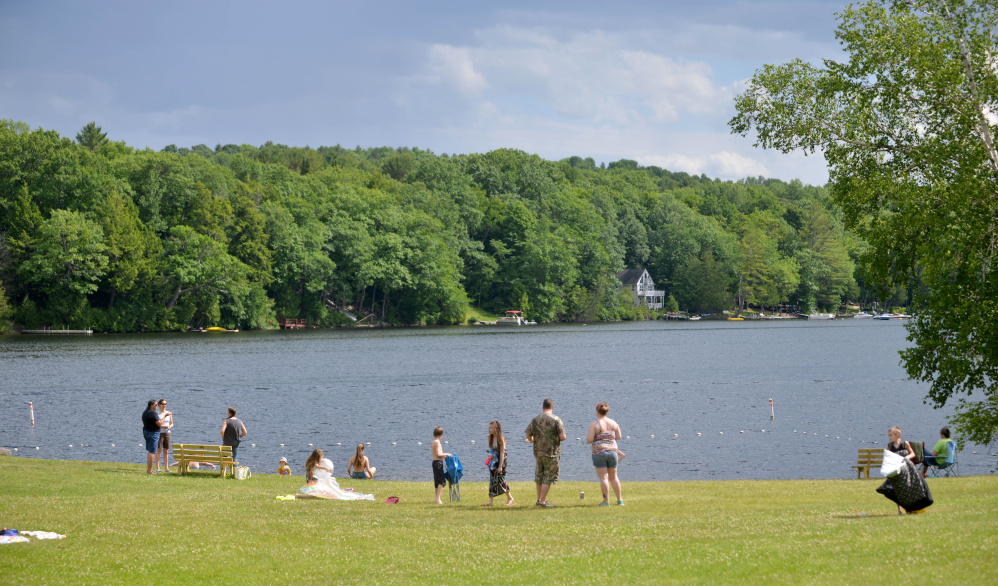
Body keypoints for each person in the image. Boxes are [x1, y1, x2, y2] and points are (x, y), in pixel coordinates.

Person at [525, 398, 567, 507]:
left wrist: (532, 440)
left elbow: (528, 434)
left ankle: (539, 500)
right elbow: (563, 437)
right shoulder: (556, 419)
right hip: (551, 452)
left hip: (538, 452)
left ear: (543, 407)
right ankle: (543, 501)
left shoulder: (535, 419)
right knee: (548, 477)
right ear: (553, 407)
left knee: (539, 476)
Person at [586, 402, 624, 506]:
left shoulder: (595, 424)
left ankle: (606, 501)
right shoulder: (613, 423)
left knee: (604, 478)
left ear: (597, 411)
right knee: (614, 477)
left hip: (599, 452)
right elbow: (619, 436)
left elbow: (589, 439)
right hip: (613, 452)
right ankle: (620, 500)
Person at [298, 449, 374, 500]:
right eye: (321, 457)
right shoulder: (314, 462)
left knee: (333, 479)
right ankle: (299, 496)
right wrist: (326, 468)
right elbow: (317, 466)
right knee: (316, 495)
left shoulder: (312, 461)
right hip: (312, 480)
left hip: (314, 479)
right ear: (318, 457)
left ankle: (340, 490)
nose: (322, 459)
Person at [885, 426, 916, 514]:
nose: (889, 437)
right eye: (888, 435)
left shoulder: (905, 444)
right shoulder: (889, 446)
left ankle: (909, 508)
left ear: (897, 435)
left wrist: (907, 457)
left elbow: (913, 453)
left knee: (907, 488)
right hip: (896, 470)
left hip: (905, 469)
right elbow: (887, 457)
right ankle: (899, 509)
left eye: (891, 435)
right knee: (897, 489)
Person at [483, 421, 515, 506]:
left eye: (492, 428)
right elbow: (491, 449)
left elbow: (502, 453)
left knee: (501, 479)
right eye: (489, 428)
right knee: (492, 479)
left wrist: (500, 466)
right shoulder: (490, 437)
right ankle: (490, 501)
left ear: (497, 429)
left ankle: (510, 497)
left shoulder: (500, 438)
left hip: (501, 461)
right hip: (493, 461)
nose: (490, 430)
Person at [141, 400, 165, 474]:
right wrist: (165, 416)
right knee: (152, 452)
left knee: (150, 451)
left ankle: (149, 469)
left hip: (146, 432)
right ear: (151, 405)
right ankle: (150, 470)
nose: (157, 406)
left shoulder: (145, 412)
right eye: (155, 405)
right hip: (153, 433)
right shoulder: (153, 413)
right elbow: (159, 423)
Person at [431, 426, 452, 504]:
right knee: (441, 481)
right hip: (438, 463)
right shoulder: (437, 442)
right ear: (441, 434)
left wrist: (444, 456)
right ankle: (437, 498)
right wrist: (447, 454)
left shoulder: (433, 441)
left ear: (434, 433)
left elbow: (437, 455)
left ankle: (437, 498)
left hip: (435, 462)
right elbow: (438, 454)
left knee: (437, 482)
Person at [155, 399, 173, 472]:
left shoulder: (169, 413)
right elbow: (157, 424)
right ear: (159, 404)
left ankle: (166, 468)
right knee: (158, 450)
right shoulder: (156, 413)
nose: (164, 405)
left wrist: (170, 426)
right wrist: (164, 426)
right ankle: (158, 467)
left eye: (165, 404)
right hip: (159, 432)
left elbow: (172, 423)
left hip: (167, 433)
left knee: (166, 450)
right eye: (162, 404)